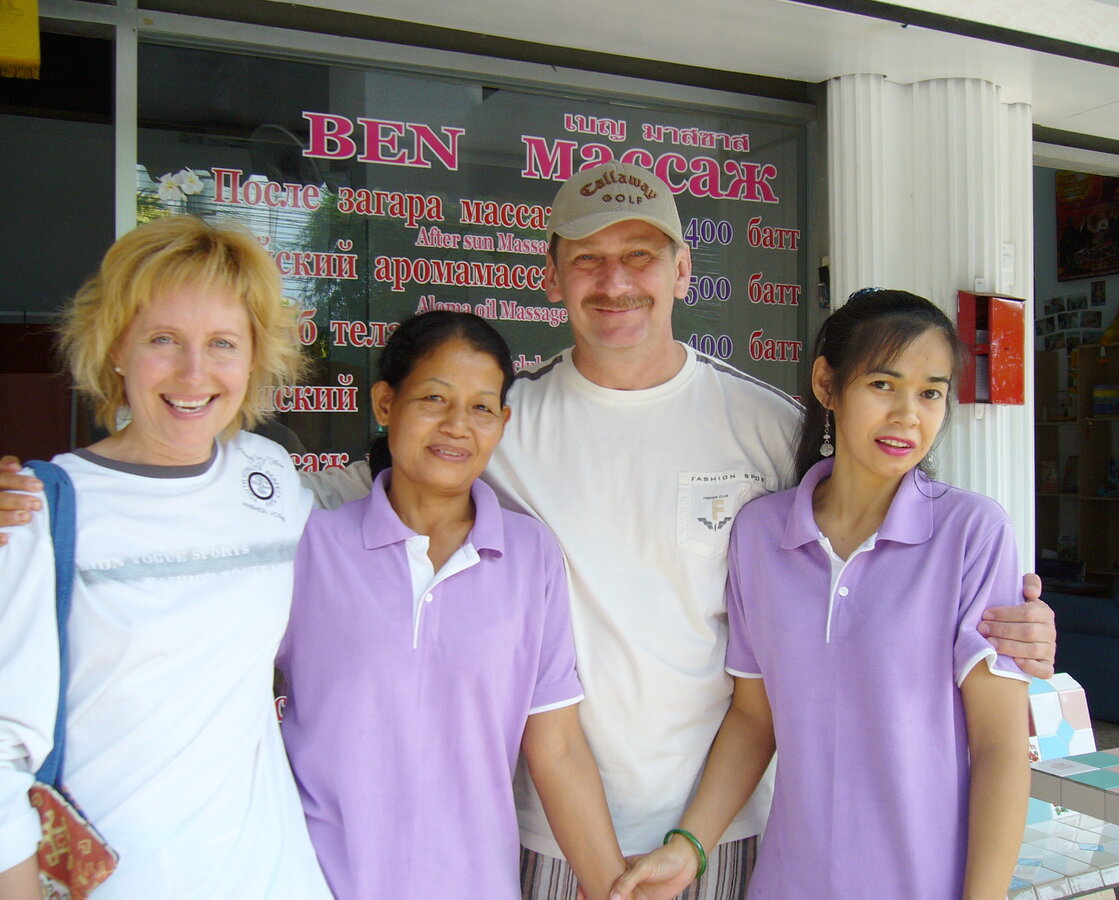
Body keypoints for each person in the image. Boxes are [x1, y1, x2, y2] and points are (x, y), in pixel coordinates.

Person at [0, 164, 1057, 900]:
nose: (615, 280)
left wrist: (1013, 623)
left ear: (685, 272)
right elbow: (324, 513)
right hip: (541, 842)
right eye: (586, 260)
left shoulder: (771, 427)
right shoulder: (504, 421)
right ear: (550, 279)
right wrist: (44, 497)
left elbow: (879, 529)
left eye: (641, 254)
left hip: (729, 835)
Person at [612, 289, 1031, 900]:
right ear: (827, 385)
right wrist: (688, 847)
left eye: (931, 392)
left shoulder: (972, 533)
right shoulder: (761, 534)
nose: (908, 415)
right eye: (883, 385)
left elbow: (999, 746)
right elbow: (756, 721)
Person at [0, 216, 332, 899]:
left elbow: (366, 538)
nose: (194, 373)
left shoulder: (268, 477)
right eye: (163, 340)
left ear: (253, 356)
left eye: (221, 344)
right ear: (116, 347)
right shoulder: (41, 510)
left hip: (272, 877)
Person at [277, 310, 630, 899]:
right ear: (385, 404)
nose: (457, 426)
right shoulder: (313, 546)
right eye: (434, 399)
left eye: (482, 407)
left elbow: (558, 748)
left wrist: (610, 888)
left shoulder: (528, 556)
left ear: (503, 422)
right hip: (318, 881)